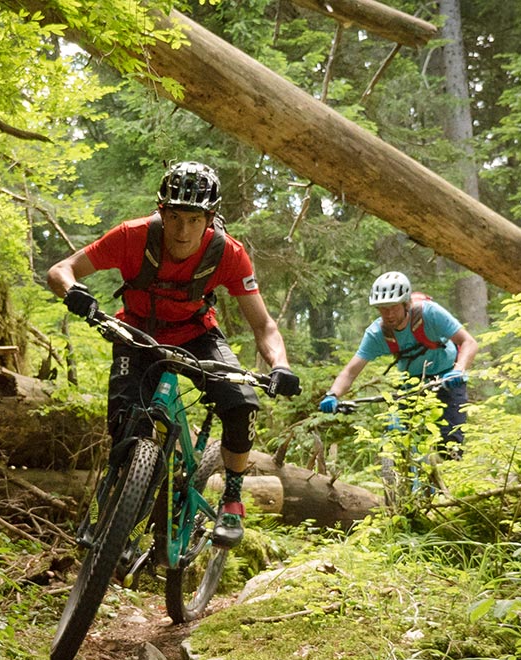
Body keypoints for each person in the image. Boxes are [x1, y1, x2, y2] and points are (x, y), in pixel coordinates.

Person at [46, 161, 300, 549]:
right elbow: (62, 270)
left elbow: (264, 326)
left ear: (210, 219)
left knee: (241, 403)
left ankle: (232, 500)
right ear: (161, 211)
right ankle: (117, 520)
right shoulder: (132, 236)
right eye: (175, 216)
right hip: (136, 332)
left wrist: (280, 366)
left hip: (197, 334)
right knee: (126, 423)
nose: (183, 230)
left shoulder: (228, 254)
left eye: (194, 219)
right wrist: (74, 291)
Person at [317, 271, 478, 455]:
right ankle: (400, 478)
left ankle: (446, 476)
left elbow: (469, 342)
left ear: (406, 303)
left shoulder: (430, 314)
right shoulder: (377, 334)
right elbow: (350, 372)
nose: (389, 314)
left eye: (393, 307)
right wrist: (333, 394)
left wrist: (458, 370)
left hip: (448, 379)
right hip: (412, 385)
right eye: (383, 308)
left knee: (449, 444)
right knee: (397, 434)